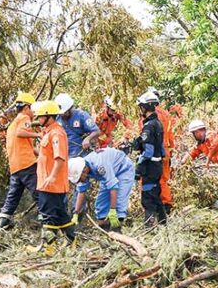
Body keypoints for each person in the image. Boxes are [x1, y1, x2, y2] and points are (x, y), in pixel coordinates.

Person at [31, 100, 75, 253]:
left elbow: (60, 157)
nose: (39, 119)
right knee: (60, 214)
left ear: (49, 116)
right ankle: (72, 241)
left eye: (41, 117)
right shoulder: (49, 132)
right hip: (46, 181)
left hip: (51, 183)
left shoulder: (57, 133)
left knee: (47, 214)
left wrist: (52, 177)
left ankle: (48, 247)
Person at [0, 92, 40, 229]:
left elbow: (30, 147)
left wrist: (45, 155)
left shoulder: (12, 124)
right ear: (27, 107)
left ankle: (3, 220)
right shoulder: (24, 118)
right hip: (26, 164)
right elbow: (21, 133)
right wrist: (39, 134)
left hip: (15, 166)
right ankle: (48, 219)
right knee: (39, 191)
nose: (33, 111)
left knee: (14, 194)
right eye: (32, 108)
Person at [68, 148, 135, 231]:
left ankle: (117, 229)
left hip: (123, 169)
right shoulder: (83, 167)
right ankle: (105, 229)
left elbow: (113, 187)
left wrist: (113, 210)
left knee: (119, 201)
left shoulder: (99, 164)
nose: (80, 181)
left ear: (84, 170)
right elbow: (81, 191)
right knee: (101, 205)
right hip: (108, 175)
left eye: (79, 178)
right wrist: (76, 213)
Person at [133, 91, 167, 225]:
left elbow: (148, 151)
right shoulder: (158, 123)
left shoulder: (148, 126)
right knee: (155, 194)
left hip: (150, 166)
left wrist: (139, 168)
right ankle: (163, 223)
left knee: (147, 198)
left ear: (145, 107)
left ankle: (149, 226)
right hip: (157, 165)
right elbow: (161, 148)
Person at [138, 88, 174, 213]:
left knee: (149, 182)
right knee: (163, 180)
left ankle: (153, 210)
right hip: (164, 151)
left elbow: (145, 136)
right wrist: (171, 150)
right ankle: (166, 206)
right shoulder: (166, 114)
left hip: (152, 152)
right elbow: (170, 134)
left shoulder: (148, 117)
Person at [55, 93, 101, 157]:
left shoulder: (82, 116)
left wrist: (88, 139)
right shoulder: (57, 118)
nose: (62, 115)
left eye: (64, 113)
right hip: (64, 155)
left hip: (81, 154)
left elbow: (97, 131)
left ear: (70, 108)